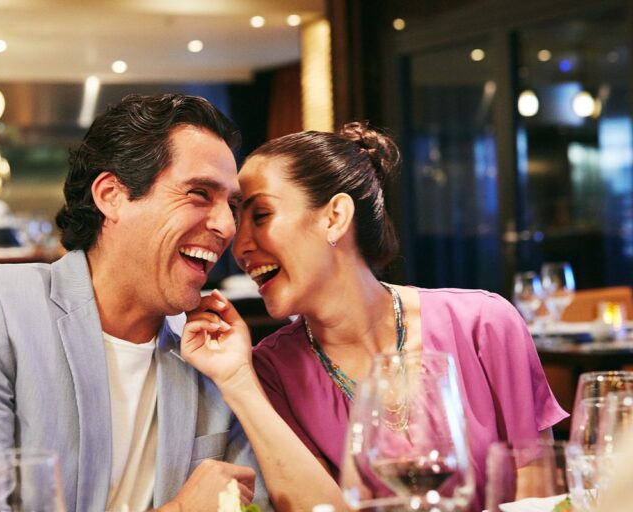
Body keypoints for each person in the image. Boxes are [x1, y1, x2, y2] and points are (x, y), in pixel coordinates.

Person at [0, 94, 271, 512]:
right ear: (111, 195)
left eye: (232, 206)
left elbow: (263, 504)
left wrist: (239, 379)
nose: (226, 226)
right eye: (199, 193)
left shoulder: (211, 353)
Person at [180, 122, 568, 511]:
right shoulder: (271, 372)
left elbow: (537, 496)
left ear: (334, 217)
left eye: (260, 215)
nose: (239, 244)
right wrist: (238, 383)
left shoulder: (484, 325)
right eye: (237, 219)